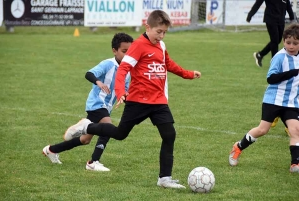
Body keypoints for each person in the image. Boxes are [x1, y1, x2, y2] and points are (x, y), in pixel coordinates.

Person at [63, 10, 201, 188]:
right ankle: (86, 126)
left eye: (165, 32)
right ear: (148, 27)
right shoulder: (138, 46)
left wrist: (188, 74)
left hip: (158, 101)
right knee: (120, 134)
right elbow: (123, 70)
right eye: (158, 32)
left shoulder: (162, 46)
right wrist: (121, 92)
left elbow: (168, 64)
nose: (161, 36)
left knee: (169, 135)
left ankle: (164, 179)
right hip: (138, 101)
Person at [42, 33, 134, 171]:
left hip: (106, 107)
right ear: (114, 51)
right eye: (124, 51)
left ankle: (51, 150)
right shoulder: (108, 64)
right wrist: (99, 82)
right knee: (108, 128)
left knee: (85, 140)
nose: (127, 55)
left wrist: (127, 99)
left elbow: (124, 90)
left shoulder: (128, 71)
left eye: (130, 52)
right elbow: (89, 73)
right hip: (96, 103)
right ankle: (93, 162)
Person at [229, 23, 299, 173]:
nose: (291, 46)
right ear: (283, 42)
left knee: (295, 130)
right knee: (262, 130)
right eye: (288, 43)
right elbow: (271, 78)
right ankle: (238, 147)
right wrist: (290, 73)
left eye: (295, 43)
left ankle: (295, 163)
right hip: (273, 100)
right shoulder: (279, 57)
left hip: (291, 102)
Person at [246, 0, 295, 67]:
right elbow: (258, 3)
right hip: (270, 18)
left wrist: (292, 17)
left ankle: (260, 54)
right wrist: (250, 15)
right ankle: (275, 63)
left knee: (277, 40)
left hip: (280, 20)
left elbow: (288, 5)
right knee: (275, 40)